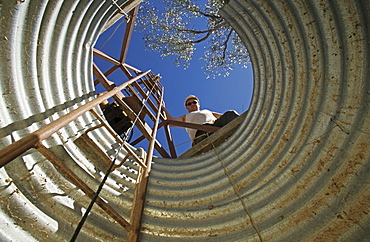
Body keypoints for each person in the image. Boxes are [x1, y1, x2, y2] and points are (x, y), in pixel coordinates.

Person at [168, 95, 239, 145]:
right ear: (186, 107)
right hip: (201, 135)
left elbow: (223, 116)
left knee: (230, 114)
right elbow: (170, 121)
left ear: (198, 104)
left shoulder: (207, 111)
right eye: (189, 104)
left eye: (194, 102)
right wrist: (162, 107)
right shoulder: (185, 117)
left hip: (215, 126)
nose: (192, 104)